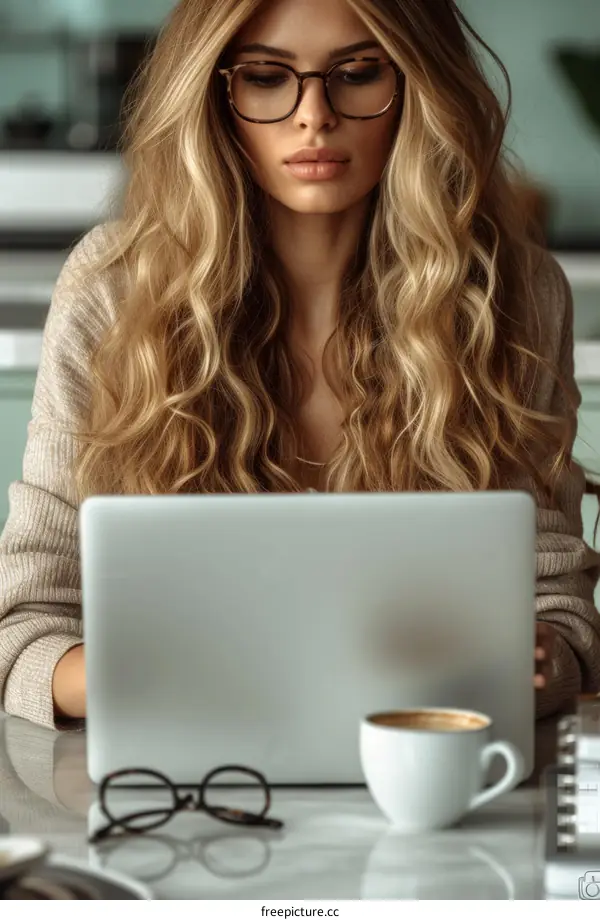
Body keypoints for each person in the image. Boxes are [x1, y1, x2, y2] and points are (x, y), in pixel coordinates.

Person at [1, 0, 599, 730]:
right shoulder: (113, 290)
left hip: (429, 775)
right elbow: (25, 623)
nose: (313, 116)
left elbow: (560, 610)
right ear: (215, 93)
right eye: (265, 77)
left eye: (355, 74)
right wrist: (132, 677)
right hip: (181, 783)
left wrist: (536, 663)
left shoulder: (514, 296)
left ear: (416, 84)